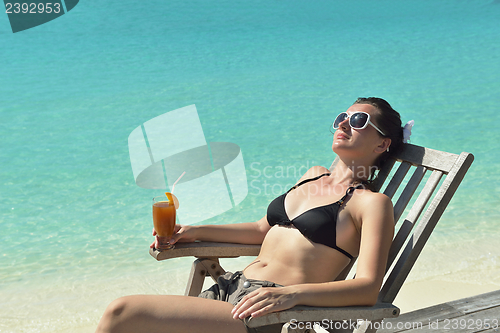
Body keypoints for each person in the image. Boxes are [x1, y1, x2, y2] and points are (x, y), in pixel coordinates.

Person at [96, 97, 405, 333]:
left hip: (266, 309)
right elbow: (261, 230)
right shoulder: (312, 176)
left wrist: (292, 297)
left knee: (122, 313)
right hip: (230, 288)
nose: (343, 124)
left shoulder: (371, 204)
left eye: (359, 120)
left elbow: (367, 288)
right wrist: (195, 231)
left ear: (382, 143)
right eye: (342, 117)